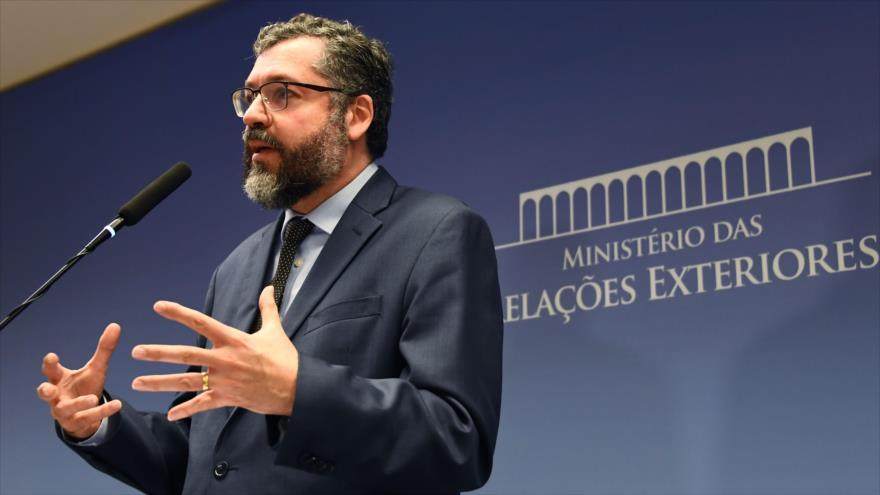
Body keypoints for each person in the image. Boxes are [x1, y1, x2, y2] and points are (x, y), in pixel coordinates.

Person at [36, 13, 503, 494]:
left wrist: (300, 392)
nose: (253, 115)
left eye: (282, 93)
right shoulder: (237, 267)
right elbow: (206, 461)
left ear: (357, 115)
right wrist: (97, 424)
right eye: (250, 96)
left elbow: (456, 439)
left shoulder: (436, 231)